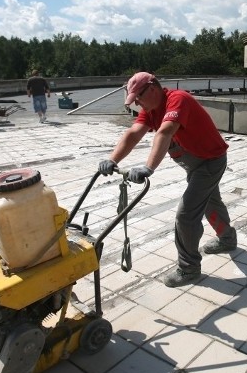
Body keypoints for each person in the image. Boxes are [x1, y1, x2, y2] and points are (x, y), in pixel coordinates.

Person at [99, 72, 238, 287]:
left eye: (138, 97)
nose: (137, 103)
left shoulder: (178, 99)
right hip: (196, 162)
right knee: (210, 201)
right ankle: (227, 239)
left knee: (186, 215)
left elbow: (165, 132)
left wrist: (148, 167)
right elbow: (133, 134)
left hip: (210, 162)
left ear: (152, 88)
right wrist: (112, 159)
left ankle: (189, 268)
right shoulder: (151, 109)